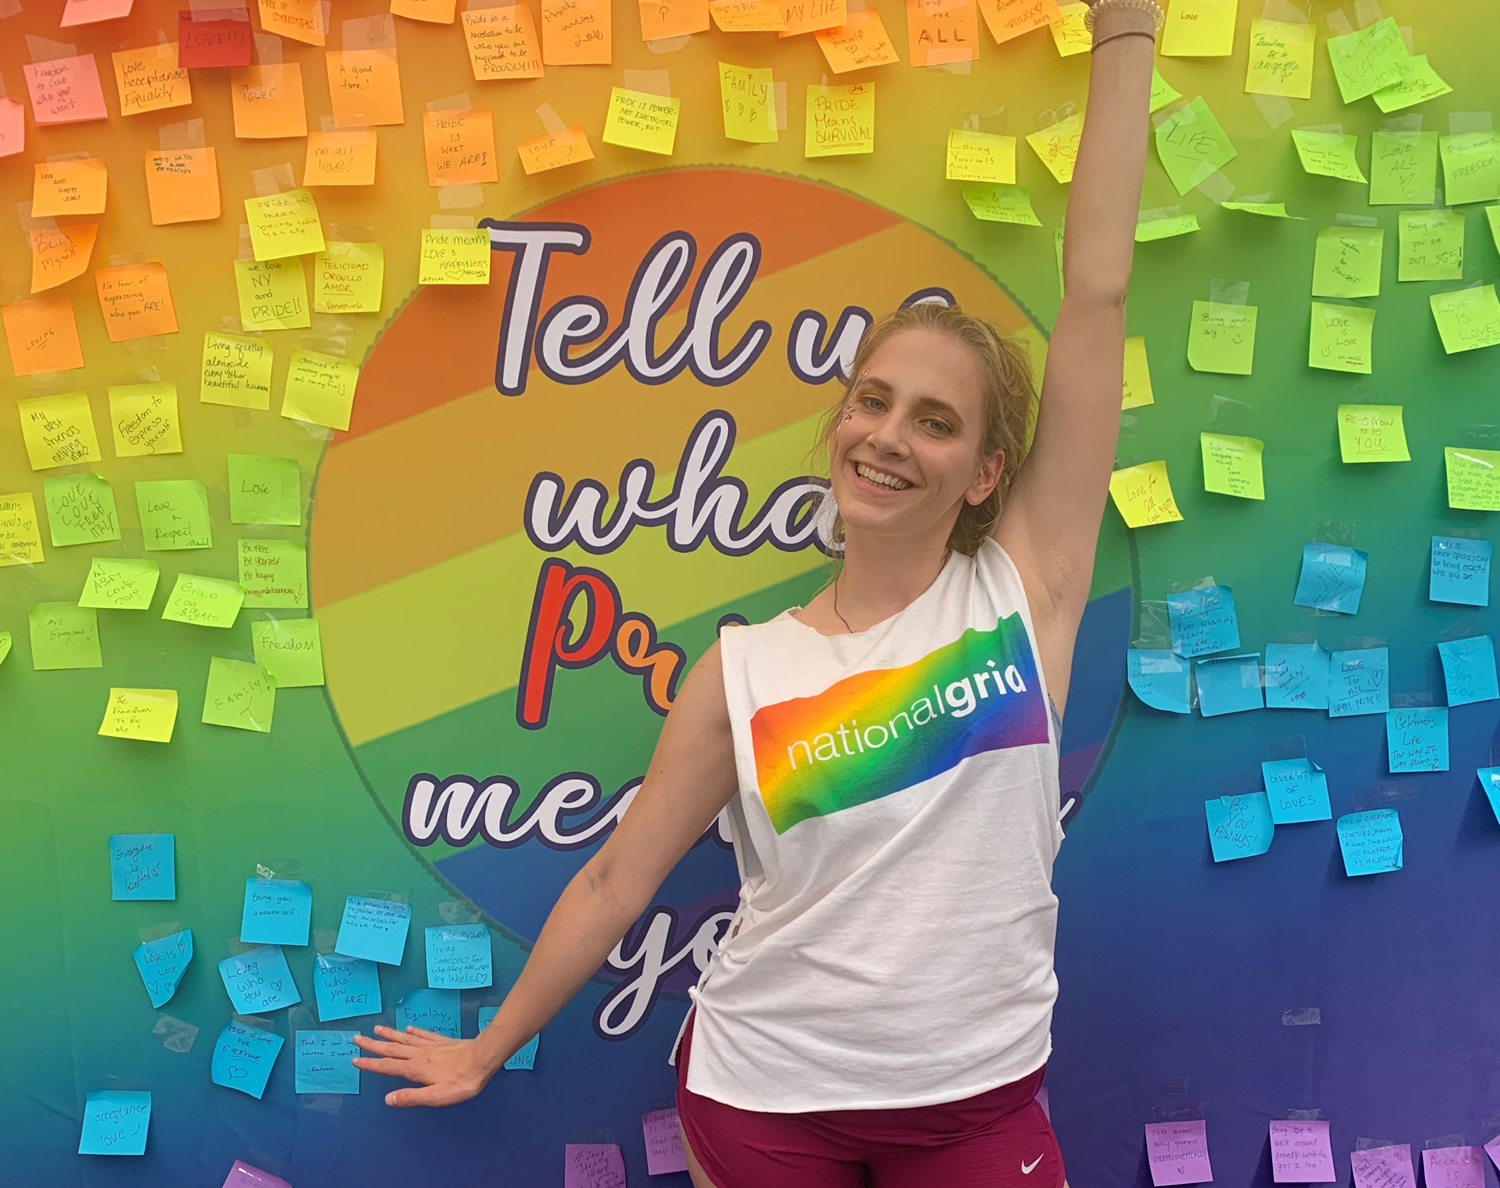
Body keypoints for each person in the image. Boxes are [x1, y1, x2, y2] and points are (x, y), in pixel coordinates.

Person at [352, 1, 1159, 1182]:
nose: (889, 438)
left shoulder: (1025, 587)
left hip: (979, 1102)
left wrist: (1128, 29)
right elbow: (615, 877)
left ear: (988, 470)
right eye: (873, 402)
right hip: (767, 1099)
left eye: (936, 422)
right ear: (839, 426)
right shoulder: (745, 668)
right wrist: (486, 1047)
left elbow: (1096, 294)